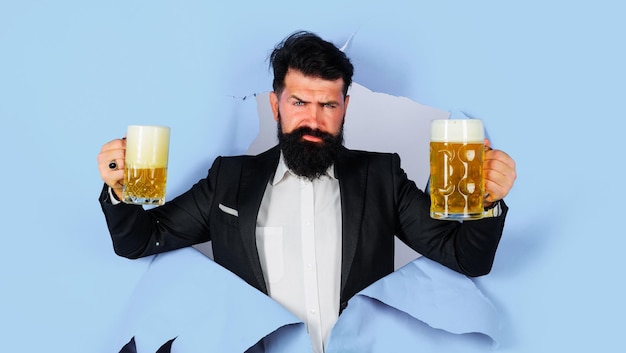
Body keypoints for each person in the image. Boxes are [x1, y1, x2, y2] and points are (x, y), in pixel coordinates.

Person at [97, 31, 517, 353]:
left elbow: (464, 257)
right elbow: (141, 240)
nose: (313, 120)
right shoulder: (228, 179)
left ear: (345, 109)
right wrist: (119, 191)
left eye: (328, 105)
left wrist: (489, 203)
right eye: (299, 102)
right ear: (276, 105)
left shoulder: (381, 175)